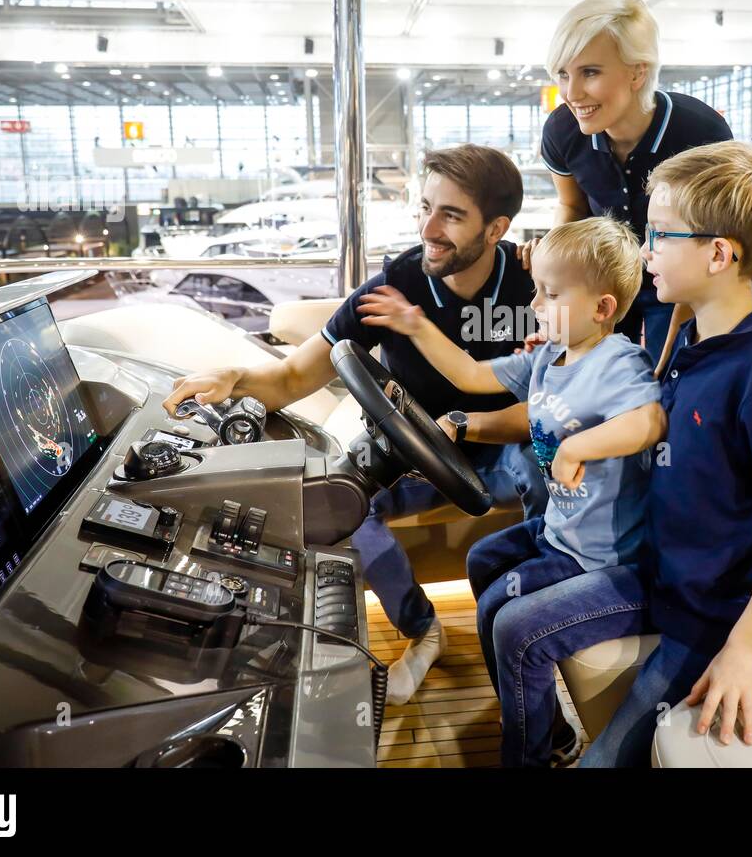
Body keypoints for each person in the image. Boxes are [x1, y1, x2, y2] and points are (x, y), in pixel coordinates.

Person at [162, 144, 548, 704]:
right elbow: (293, 378)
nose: (429, 229)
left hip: (510, 441)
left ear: (497, 229)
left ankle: (545, 616)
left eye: (452, 215)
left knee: (549, 467)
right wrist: (234, 377)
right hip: (424, 451)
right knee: (341, 506)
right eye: (424, 208)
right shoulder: (394, 289)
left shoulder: (534, 278)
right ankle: (422, 628)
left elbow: (582, 362)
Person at [358, 216, 665, 767]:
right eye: (536, 291)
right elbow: (471, 376)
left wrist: (578, 448)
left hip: (609, 560)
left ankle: (533, 754)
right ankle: (545, 727)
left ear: (602, 308)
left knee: (512, 626)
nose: (537, 304)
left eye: (551, 294)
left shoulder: (620, 362)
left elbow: (650, 421)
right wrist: (415, 326)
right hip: (562, 536)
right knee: (483, 560)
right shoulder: (549, 355)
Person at [579, 140, 752, 768]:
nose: (644, 251)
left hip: (716, 619)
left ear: (719, 253)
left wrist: (745, 650)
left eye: (660, 235)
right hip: (669, 583)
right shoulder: (690, 337)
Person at [531, 0, 734, 362]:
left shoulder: (701, 132)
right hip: (601, 277)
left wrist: (691, 308)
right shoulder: (562, 130)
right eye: (563, 73)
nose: (572, 93)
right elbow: (571, 204)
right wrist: (554, 274)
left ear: (638, 71)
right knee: (589, 376)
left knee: (670, 375)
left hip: (676, 278)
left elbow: (719, 232)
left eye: (589, 72)